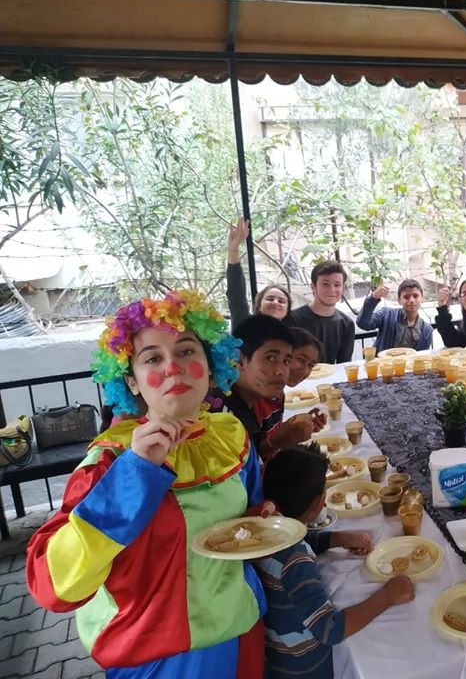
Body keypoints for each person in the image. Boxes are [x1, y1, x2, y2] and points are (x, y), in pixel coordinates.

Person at [26, 290, 269, 677]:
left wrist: (264, 515)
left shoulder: (230, 434)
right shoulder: (108, 461)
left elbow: (250, 516)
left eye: (186, 351)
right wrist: (135, 473)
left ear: (210, 367)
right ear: (133, 382)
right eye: (153, 358)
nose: (173, 367)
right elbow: (53, 586)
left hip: (242, 625)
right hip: (158, 655)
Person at [257, 446, 415, 679]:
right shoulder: (296, 562)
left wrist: (338, 538)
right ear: (319, 503)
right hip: (305, 670)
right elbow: (329, 629)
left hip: (277, 658)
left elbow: (302, 537)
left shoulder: (269, 528)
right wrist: (387, 596)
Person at [223, 315, 324, 459]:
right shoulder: (224, 420)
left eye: (286, 361)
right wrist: (280, 440)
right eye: (270, 358)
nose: (280, 371)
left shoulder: (266, 395)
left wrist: (292, 429)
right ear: (239, 360)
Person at [226, 219, 291, 331]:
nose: (275, 303)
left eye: (281, 301)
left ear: (287, 311)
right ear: (259, 305)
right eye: (270, 299)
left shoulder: (294, 336)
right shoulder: (245, 326)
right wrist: (233, 249)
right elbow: (236, 293)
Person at [287, 260, 356, 364]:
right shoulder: (293, 319)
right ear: (313, 287)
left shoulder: (346, 324)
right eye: (325, 284)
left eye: (337, 285)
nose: (332, 289)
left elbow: (344, 364)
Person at [356, 279, 434, 353]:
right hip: (383, 362)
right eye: (406, 297)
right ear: (399, 301)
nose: (411, 300)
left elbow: (421, 356)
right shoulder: (387, 315)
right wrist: (373, 298)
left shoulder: (427, 330)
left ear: (422, 299)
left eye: (415, 296)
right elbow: (363, 323)